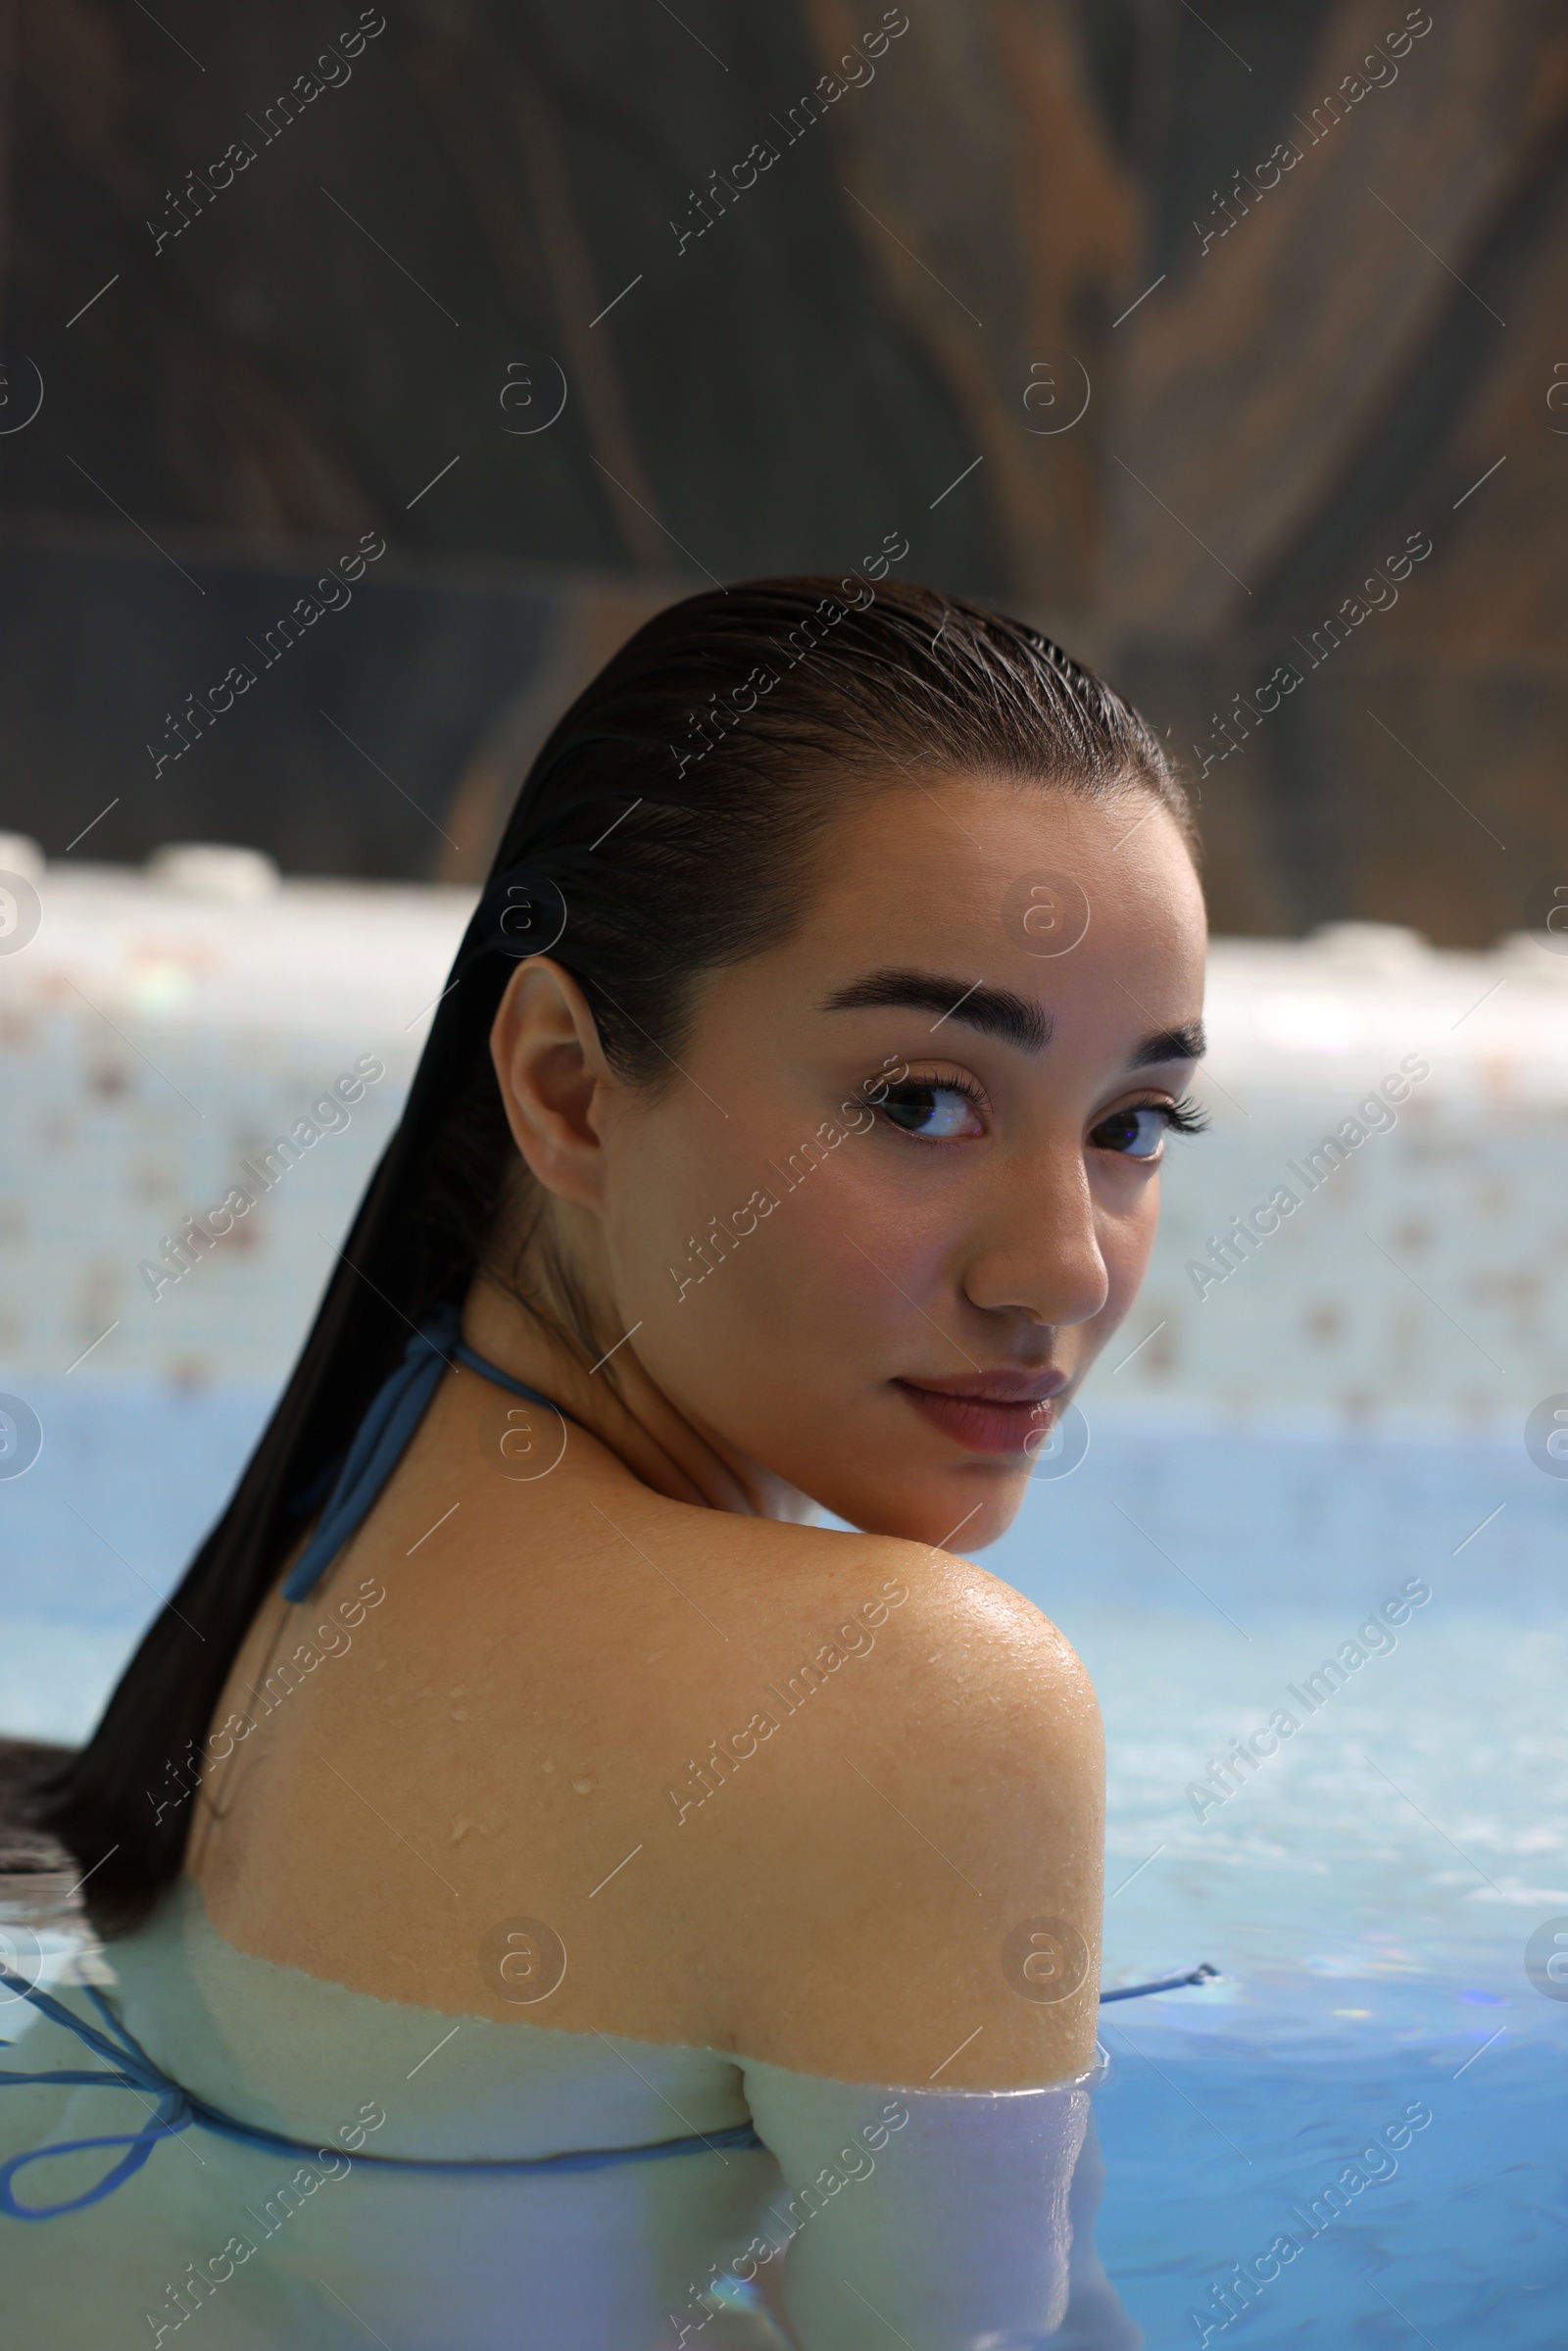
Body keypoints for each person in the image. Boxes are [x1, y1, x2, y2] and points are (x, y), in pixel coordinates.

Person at [3, 578, 1206, 2346]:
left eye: (1133, 1127)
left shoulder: (332, 1533)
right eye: (922, 1100)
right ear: (566, 1086)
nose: (1065, 1267)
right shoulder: (917, 1701)